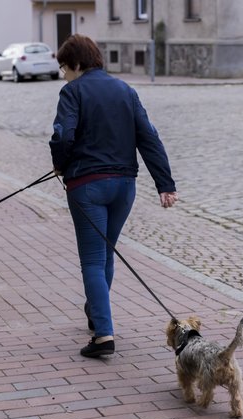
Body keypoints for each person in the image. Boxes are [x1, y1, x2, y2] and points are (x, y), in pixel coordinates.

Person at [49, 34, 178, 358]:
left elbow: (63, 135)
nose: (63, 74)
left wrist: (60, 165)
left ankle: (103, 335)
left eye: (64, 67)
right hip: (124, 187)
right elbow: (149, 137)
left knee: (93, 260)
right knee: (105, 254)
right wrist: (165, 183)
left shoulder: (72, 92)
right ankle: (96, 312)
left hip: (88, 186)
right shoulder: (125, 90)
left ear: (77, 64)